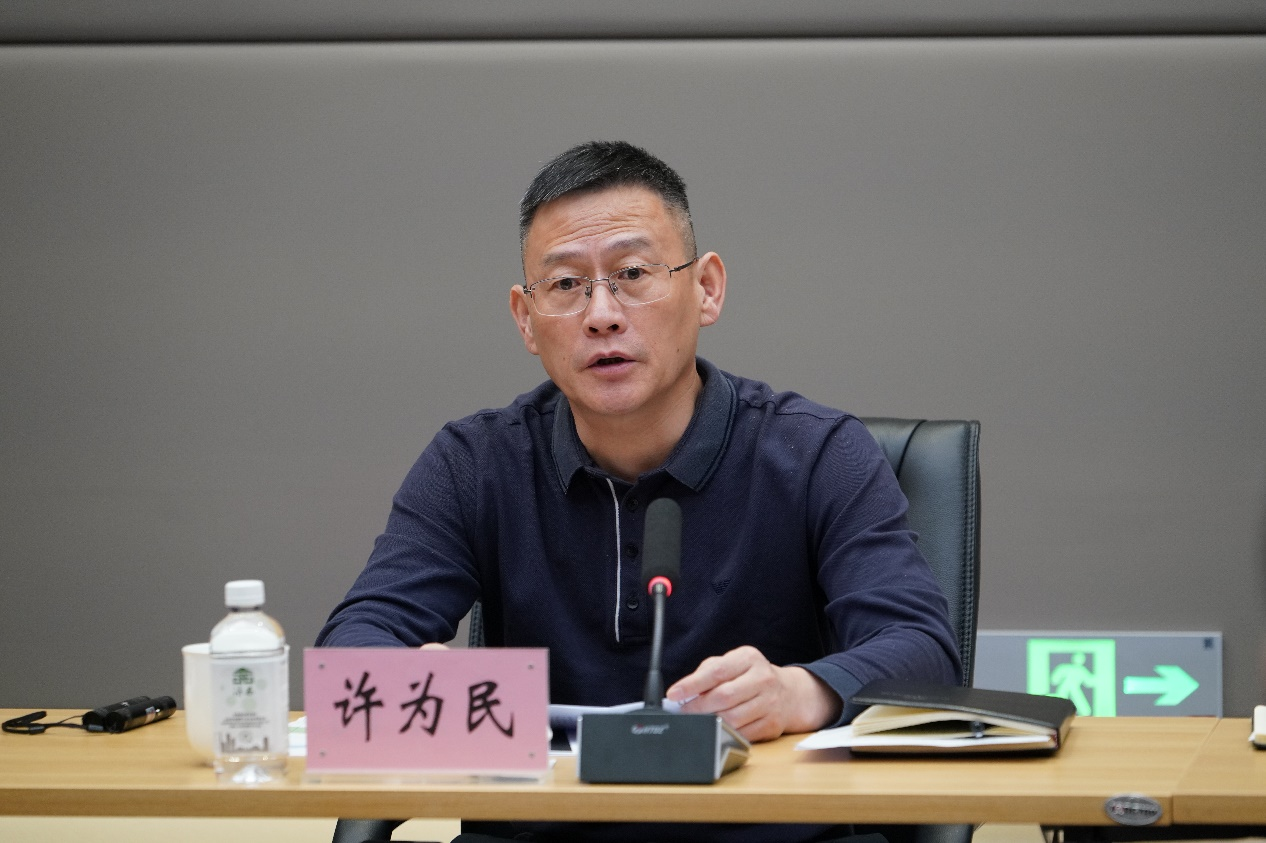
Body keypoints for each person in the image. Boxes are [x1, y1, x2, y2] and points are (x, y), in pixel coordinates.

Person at [317, 140, 962, 843]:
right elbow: (353, 646)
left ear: (706, 288)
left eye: (631, 274)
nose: (602, 313)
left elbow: (924, 650)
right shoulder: (475, 462)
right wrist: (416, 683)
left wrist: (800, 692)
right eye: (566, 284)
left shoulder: (818, 454)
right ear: (526, 319)